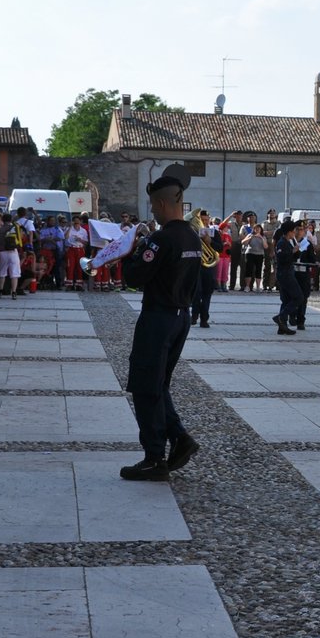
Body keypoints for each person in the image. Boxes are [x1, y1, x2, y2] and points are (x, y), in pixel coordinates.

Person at [119, 174, 202, 481]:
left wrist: (130, 249)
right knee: (158, 384)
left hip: (158, 317)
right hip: (180, 316)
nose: (151, 210)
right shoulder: (192, 236)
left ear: (163, 202)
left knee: (144, 385)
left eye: (153, 204)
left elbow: (134, 276)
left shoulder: (161, 239)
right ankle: (179, 438)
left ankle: (155, 457)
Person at [273, 217, 302, 336]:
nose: (294, 233)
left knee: (286, 300)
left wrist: (296, 251)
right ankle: (281, 317)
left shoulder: (289, 242)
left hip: (288, 272)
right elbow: (281, 258)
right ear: (289, 232)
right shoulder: (281, 242)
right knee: (298, 297)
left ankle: (282, 326)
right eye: (293, 231)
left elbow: (292, 257)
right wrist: (292, 252)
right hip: (284, 274)